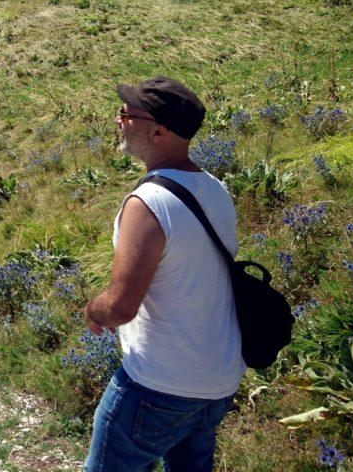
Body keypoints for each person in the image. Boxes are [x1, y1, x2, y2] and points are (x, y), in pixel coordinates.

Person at [82, 76, 245, 472]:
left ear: (158, 131)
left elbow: (120, 307)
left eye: (127, 114)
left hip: (159, 386)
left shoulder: (148, 203)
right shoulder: (215, 189)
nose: (118, 120)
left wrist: (92, 310)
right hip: (217, 383)